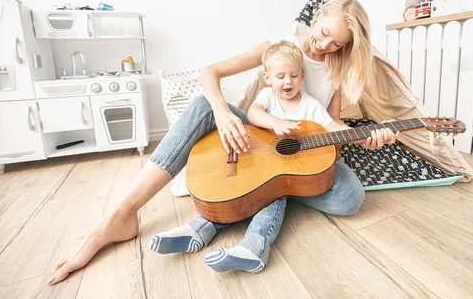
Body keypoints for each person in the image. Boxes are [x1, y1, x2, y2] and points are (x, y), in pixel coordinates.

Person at [48, 0, 395, 285]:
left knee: (351, 196)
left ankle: (259, 191)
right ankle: (120, 215)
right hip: (257, 137)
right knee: (202, 104)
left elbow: (332, 126)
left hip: (294, 153)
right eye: (322, 34)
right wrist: (223, 112)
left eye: (337, 44)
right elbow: (209, 73)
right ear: (317, 16)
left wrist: (365, 137)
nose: (323, 46)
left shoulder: (335, 69)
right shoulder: (274, 50)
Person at [148, 41, 397, 273]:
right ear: (268, 78)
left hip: (284, 172)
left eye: (293, 76)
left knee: (275, 187)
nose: (287, 82)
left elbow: (332, 128)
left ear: (302, 75)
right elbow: (254, 114)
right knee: (265, 186)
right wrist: (274, 122)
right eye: (280, 77)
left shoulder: (311, 106)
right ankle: (195, 230)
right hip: (257, 158)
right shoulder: (267, 96)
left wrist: (365, 135)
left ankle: (252, 248)